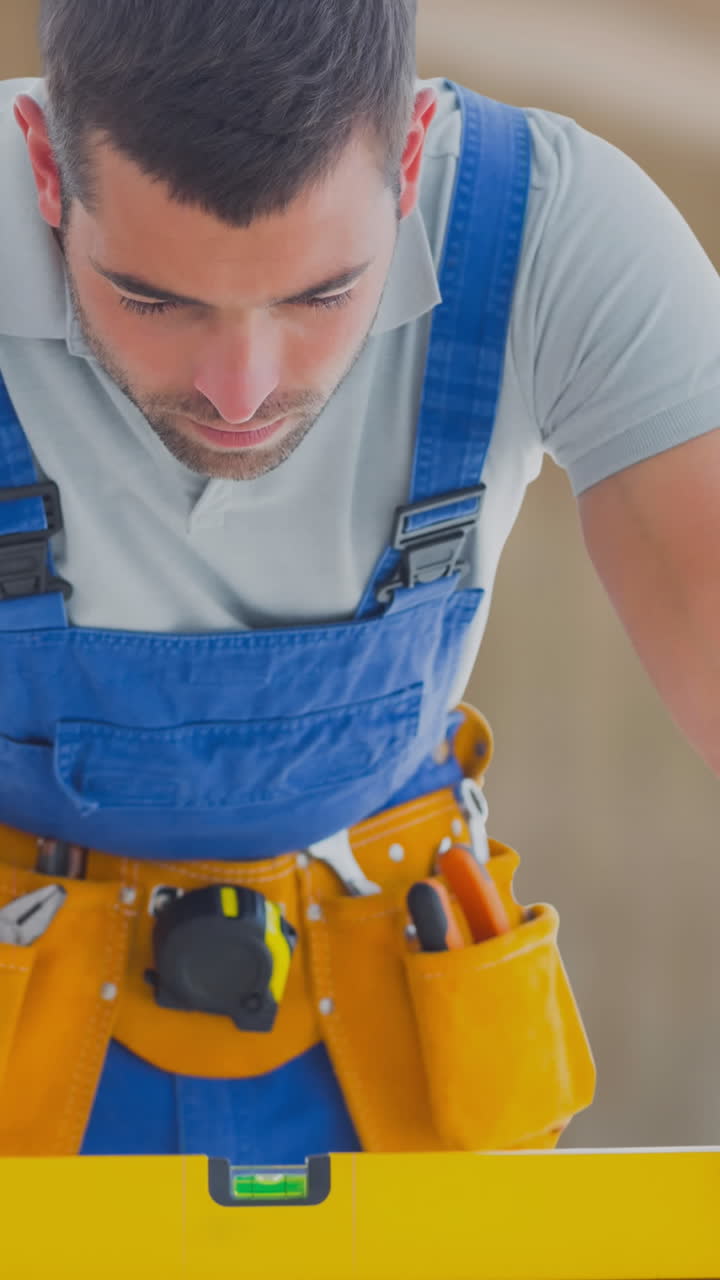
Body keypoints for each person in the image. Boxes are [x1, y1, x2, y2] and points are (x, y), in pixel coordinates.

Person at [0, 0, 718, 1167]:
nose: (240, 392)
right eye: (154, 298)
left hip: (402, 1006)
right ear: (43, 165)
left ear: (411, 157)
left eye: (321, 294)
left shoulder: (549, 228)